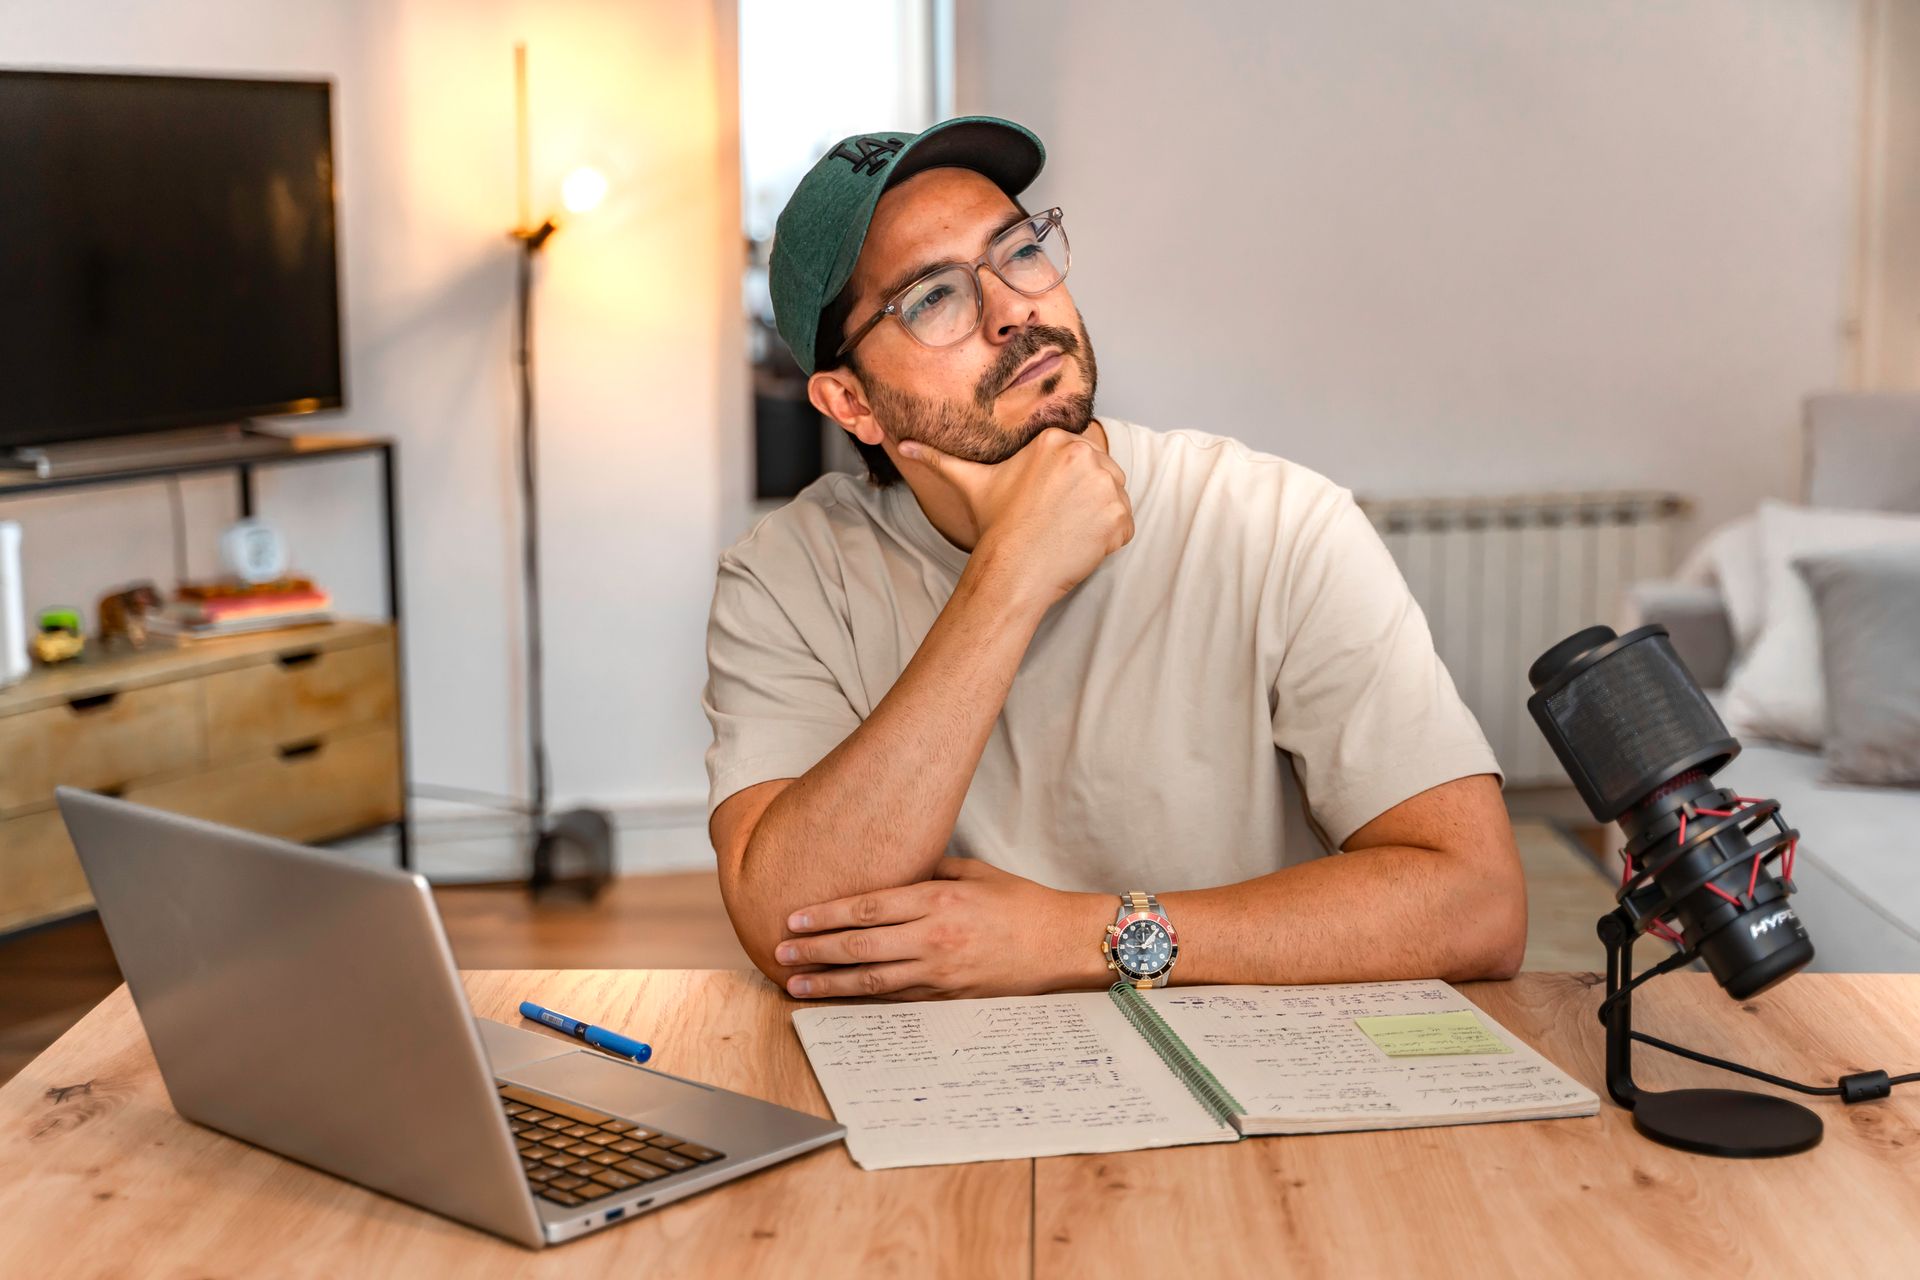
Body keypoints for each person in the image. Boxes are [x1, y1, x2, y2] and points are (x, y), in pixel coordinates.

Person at [704, 116, 1525, 1001]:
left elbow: (1476, 904)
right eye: (934, 297)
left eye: (1018, 251)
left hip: (1256, 1091)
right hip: (951, 1098)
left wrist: (1079, 934)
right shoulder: (786, 580)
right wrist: (1012, 575)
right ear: (851, 402)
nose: (1015, 308)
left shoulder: (1277, 523)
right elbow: (793, 925)